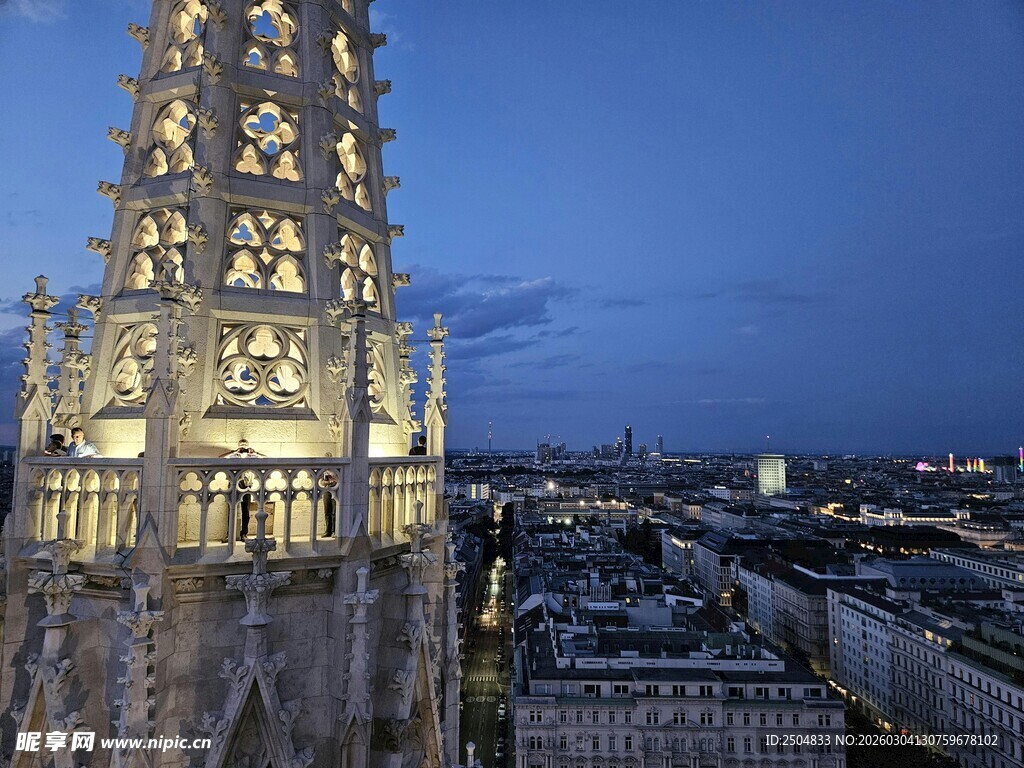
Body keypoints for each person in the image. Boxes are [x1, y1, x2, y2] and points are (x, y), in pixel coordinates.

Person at [321, 471, 338, 537]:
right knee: (327, 511)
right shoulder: (325, 471)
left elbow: (338, 480)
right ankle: (328, 531)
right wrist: (328, 482)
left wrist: (334, 480)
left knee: (334, 512)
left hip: (335, 490)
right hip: (326, 491)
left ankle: (334, 531)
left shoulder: (336, 469)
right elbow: (322, 482)